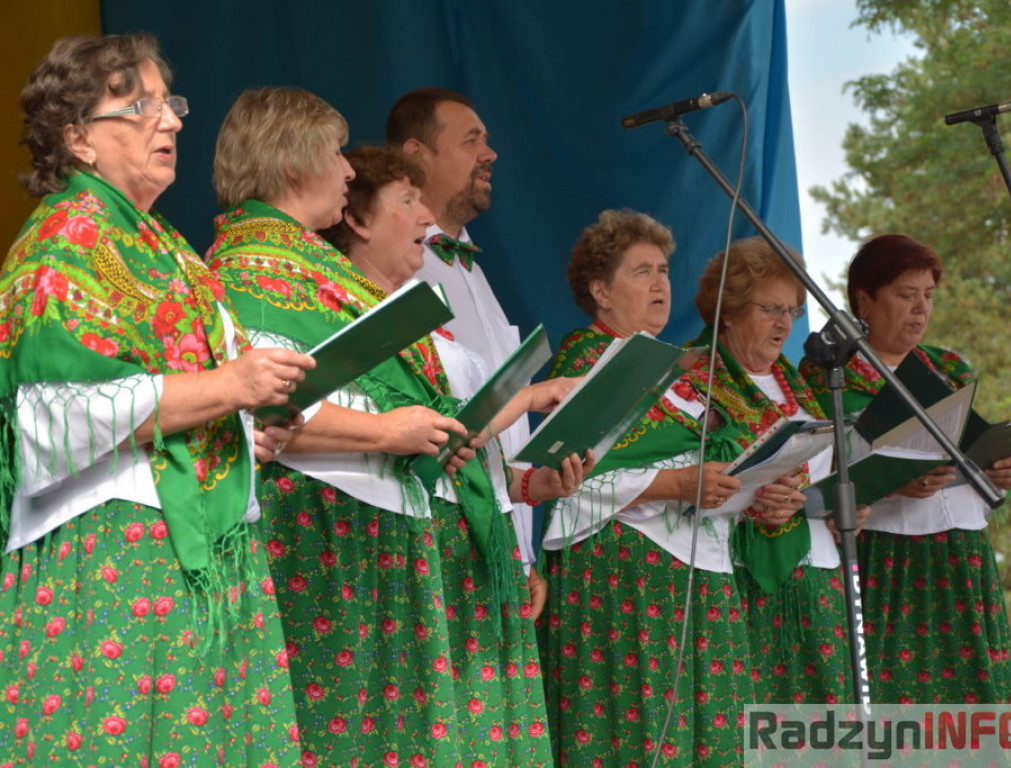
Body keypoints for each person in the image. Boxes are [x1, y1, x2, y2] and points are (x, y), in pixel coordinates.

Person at [207, 97, 586, 767]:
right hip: (327, 530)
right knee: (359, 732)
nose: (345, 172)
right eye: (331, 156)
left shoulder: (315, 271)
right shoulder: (257, 266)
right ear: (293, 163)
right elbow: (262, 405)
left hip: (379, 521)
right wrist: (384, 432)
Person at [0, 34, 314, 766]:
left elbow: (191, 395)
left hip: (198, 552)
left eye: (168, 103)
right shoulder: (63, 240)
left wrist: (245, 425)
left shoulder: (167, 248)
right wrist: (230, 387)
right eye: (137, 106)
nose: (169, 121)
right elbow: (49, 421)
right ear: (77, 138)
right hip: (116, 549)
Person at [540, 209, 761, 767]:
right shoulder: (584, 361)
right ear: (600, 290)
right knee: (638, 741)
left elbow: (720, 459)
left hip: (699, 572)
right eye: (642, 272)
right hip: (627, 578)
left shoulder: (681, 375)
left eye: (663, 270)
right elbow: (563, 483)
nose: (661, 283)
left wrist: (758, 486)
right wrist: (680, 482)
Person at [800, 233, 1011, 703]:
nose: (921, 308)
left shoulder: (947, 367)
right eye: (906, 295)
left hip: (962, 555)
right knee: (896, 704)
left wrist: (999, 472)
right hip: (886, 559)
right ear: (865, 299)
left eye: (928, 296)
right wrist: (894, 487)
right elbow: (815, 474)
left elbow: (973, 450)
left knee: (972, 702)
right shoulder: (830, 379)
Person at [677, 236, 853, 706]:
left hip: (814, 570)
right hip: (736, 575)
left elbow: (820, 470)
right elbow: (682, 475)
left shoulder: (797, 383)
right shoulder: (692, 375)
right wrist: (753, 497)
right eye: (771, 309)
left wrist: (806, 495)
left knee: (822, 723)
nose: (784, 324)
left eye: (792, 311)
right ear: (728, 309)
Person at [386, 88, 544, 607]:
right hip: (447, 544)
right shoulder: (396, 269)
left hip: (502, 543)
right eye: (471, 140)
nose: (490, 153)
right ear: (416, 155)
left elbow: (501, 437)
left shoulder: (469, 268)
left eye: (488, 140)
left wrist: (525, 553)